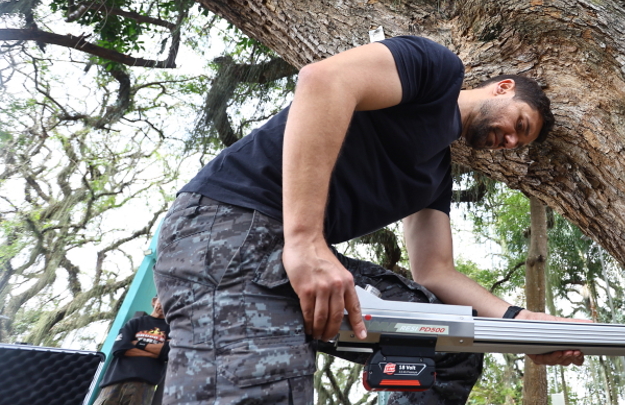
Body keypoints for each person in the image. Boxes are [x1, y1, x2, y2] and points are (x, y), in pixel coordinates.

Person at [154, 36, 583, 405]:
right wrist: (305, 240)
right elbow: (324, 80)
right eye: (518, 124)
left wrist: (516, 322)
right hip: (228, 224)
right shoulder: (437, 71)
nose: (508, 141)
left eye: (516, 143)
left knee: (452, 347)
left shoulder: (434, 176)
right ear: (502, 88)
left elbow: (434, 270)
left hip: (288, 256)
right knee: (261, 391)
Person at [94, 297, 170, 405]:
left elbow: (168, 352)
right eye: (162, 300)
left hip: (144, 385)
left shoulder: (171, 329)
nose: (164, 305)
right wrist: (155, 353)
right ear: (154, 301)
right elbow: (119, 348)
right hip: (115, 380)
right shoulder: (135, 323)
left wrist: (138, 343)